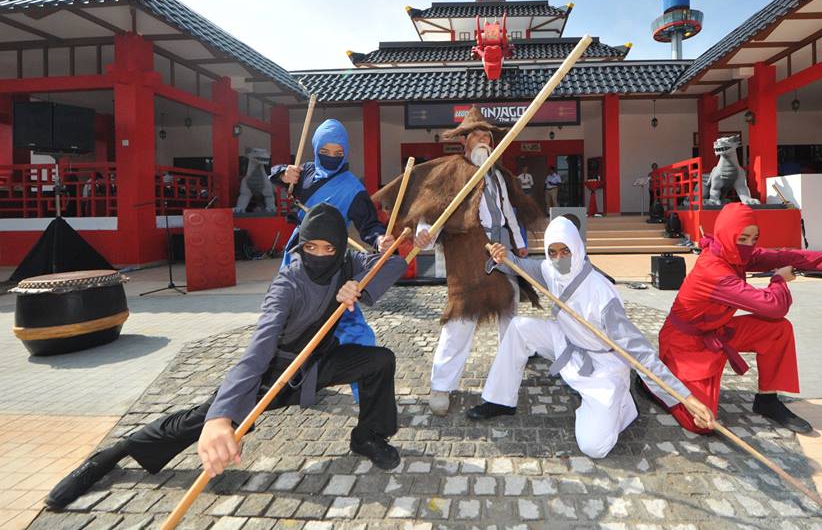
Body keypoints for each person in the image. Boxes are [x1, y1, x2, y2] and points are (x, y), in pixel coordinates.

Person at [45, 203, 431, 510]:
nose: (319, 255)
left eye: (327, 248)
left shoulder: (347, 263)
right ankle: (110, 457)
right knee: (197, 420)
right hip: (272, 372)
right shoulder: (287, 284)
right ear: (301, 246)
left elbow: (388, 268)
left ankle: (368, 437)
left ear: (339, 249)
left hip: (316, 364)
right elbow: (256, 352)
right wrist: (219, 419)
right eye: (310, 247)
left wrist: (376, 271)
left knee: (379, 359)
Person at [648, 202, 822, 435]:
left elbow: (788, 255)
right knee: (700, 424)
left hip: (716, 331)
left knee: (776, 330)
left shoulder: (733, 254)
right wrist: (779, 279)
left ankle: (767, 399)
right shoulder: (714, 269)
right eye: (742, 238)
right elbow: (772, 306)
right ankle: (655, 383)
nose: (749, 246)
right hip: (686, 344)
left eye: (753, 239)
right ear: (726, 234)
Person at [467, 217, 714, 458]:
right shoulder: (550, 270)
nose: (559, 259)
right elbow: (519, 265)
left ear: (577, 247)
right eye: (552, 252)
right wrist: (503, 256)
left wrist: (685, 398)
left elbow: (641, 353)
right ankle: (500, 400)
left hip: (602, 364)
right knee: (520, 327)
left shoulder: (601, 294)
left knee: (593, 446)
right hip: (567, 341)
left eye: (565, 251)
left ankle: (623, 407)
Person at [374, 106, 543, 416]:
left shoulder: (499, 176)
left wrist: (519, 245)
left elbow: (508, 214)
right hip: (466, 251)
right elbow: (431, 206)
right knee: (461, 319)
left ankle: (511, 369)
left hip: (501, 251)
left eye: (487, 136)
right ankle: (441, 385)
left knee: (511, 310)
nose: (483, 140)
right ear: (464, 141)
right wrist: (424, 233)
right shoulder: (450, 170)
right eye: (476, 135)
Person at [271, 118, 391, 261]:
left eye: (338, 153)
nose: (331, 157)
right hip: (298, 248)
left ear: (345, 153)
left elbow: (369, 224)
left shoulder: (353, 188)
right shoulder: (306, 172)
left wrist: (380, 239)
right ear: (315, 149)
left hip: (330, 253)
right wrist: (284, 174)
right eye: (324, 151)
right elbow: (276, 175)